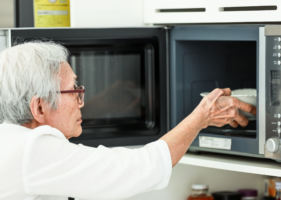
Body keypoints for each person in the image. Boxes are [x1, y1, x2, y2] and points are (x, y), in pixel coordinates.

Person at [0, 41, 256, 200]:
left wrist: (105, 100)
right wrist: (202, 117)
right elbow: (138, 168)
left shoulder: (11, 140)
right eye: (74, 90)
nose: (82, 101)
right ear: (39, 106)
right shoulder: (34, 149)